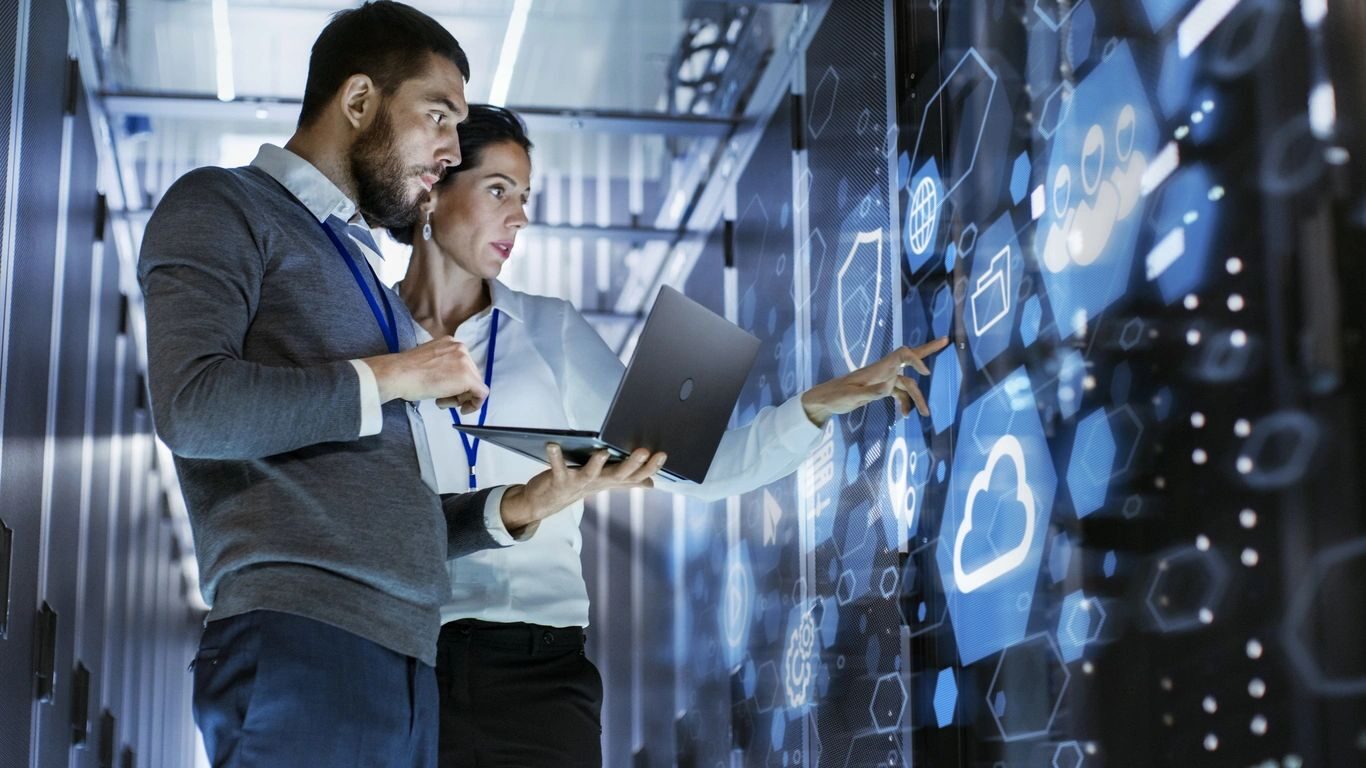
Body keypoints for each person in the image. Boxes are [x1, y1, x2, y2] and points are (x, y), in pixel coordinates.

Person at [138, 6, 662, 767]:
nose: (449, 149)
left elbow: (388, 508)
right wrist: (399, 374)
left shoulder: (365, 282)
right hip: (303, 640)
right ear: (358, 103)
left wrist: (522, 507)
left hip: (406, 662)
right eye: (438, 116)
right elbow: (193, 406)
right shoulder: (222, 205)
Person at [390, 104, 950, 767]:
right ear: (435, 188)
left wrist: (818, 405)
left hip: (538, 670)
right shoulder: (369, 338)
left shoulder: (552, 332)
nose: (520, 216)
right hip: (405, 661)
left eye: (526, 197)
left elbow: (698, 469)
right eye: (498, 190)